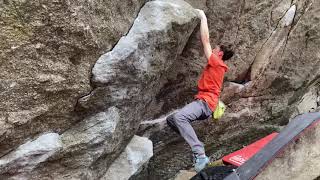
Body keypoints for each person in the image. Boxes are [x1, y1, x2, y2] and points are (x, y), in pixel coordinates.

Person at [166, 9, 234, 172]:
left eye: (216, 48)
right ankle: (196, 144)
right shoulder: (218, 66)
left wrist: (203, 16)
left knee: (180, 117)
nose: (213, 49)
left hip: (205, 104)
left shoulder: (217, 62)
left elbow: (206, 40)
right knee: (171, 120)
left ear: (220, 53)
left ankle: (200, 153)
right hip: (205, 104)